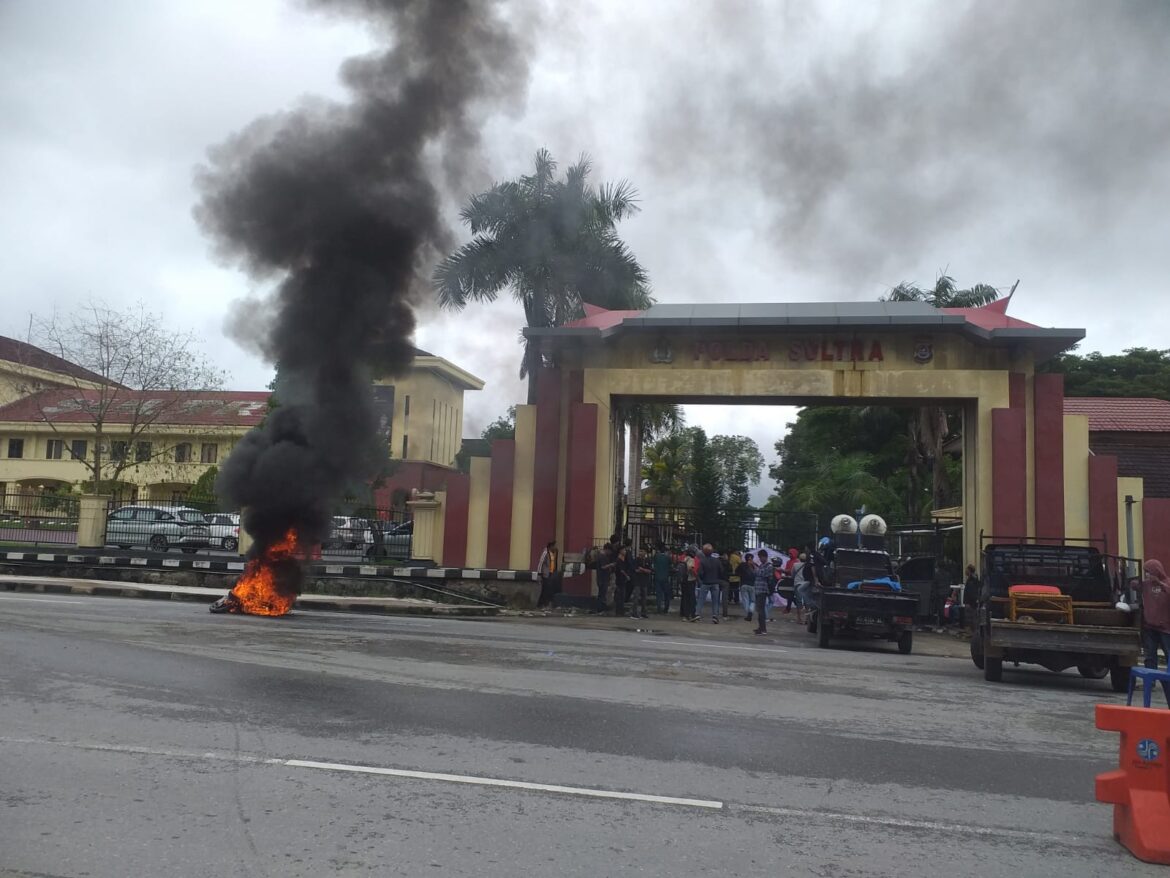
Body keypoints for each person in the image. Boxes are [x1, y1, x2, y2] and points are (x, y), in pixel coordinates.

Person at [1138, 559, 1170, 705]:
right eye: (1146, 573)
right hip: (1150, 626)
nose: (1148, 575)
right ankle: (1149, 681)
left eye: (1149, 572)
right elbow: (1135, 586)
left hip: (1165, 628)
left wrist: (1160, 584)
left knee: (1168, 653)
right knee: (1150, 654)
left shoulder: (1167, 583)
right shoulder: (1146, 585)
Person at [693, 543, 722, 623]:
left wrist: (701, 579)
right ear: (712, 551)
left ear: (703, 552)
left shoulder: (702, 561)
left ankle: (697, 614)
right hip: (715, 582)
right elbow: (721, 571)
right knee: (715, 600)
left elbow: (700, 573)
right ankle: (715, 616)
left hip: (705, 582)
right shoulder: (717, 561)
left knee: (701, 599)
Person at [753, 549, 774, 635]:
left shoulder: (769, 566)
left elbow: (762, 574)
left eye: (761, 557)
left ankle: (763, 629)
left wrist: (755, 568)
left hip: (763, 589)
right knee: (759, 610)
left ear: (765, 557)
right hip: (758, 589)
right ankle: (760, 627)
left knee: (761, 610)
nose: (760, 559)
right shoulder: (761, 565)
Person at [536, 539, 561, 610]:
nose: (555, 547)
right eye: (554, 546)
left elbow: (554, 562)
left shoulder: (553, 553)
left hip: (551, 573)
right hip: (545, 574)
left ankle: (543, 604)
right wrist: (539, 574)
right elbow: (541, 563)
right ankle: (541, 604)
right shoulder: (545, 552)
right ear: (550, 546)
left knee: (548, 590)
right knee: (545, 590)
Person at [593, 542, 615, 614]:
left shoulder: (602, 556)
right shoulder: (602, 557)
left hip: (602, 578)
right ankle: (600, 609)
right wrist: (611, 565)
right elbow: (603, 567)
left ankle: (600, 609)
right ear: (607, 549)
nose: (610, 553)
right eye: (610, 551)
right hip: (602, 578)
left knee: (602, 594)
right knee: (602, 594)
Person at [630, 547, 652, 619]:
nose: (641, 553)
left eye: (642, 551)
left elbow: (649, 571)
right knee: (636, 597)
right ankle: (634, 613)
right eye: (640, 551)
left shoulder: (647, 560)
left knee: (644, 598)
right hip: (637, 581)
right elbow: (636, 570)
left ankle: (643, 613)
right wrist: (644, 570)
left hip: (644, 581)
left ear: (645, 552)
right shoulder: (636, 560)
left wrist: (642, 569)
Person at [652, 543, 673, 614]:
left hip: (657, 577)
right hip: (665, 578)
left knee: (659, 595)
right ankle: (666, 609)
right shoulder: (668, 558)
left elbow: (653, 566)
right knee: (667, 595)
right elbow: (671, 566)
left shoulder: (656, 556)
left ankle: (659, 609)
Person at [738, 551, 756, 621]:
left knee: (745, 600)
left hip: (743, 584)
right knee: (752, 601)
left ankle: (748, 613)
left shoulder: (742, 564)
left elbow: (737, 571)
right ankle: (751, 611)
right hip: (752, 585)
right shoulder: (754, 565)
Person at [680, 548, 698, 620]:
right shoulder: (691, 560)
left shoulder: (684, 559)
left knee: (685, 597)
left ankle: (685, 614)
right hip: (690, 579)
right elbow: (691, 568)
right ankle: (692, 614)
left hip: (684, 580)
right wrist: (696, 576)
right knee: (691, 597)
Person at [613, 545, 630, 617]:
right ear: (620, 551)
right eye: (624, 550)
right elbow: (621, 570)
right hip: (619, 580)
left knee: (622, 596)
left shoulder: (624, 559)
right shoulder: (618, 560)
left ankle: (621, 611)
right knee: (620, 596)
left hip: (623, 580)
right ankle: (618, 612)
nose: (625, 552)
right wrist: (627, 576)